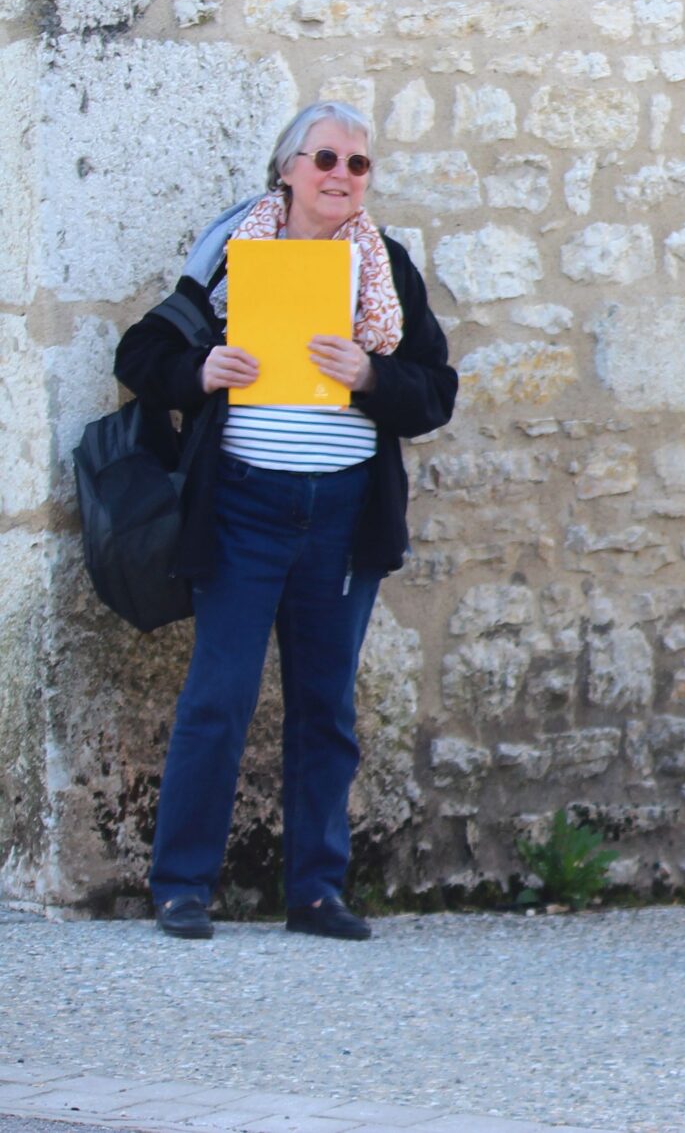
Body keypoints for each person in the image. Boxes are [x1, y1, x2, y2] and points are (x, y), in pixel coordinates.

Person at [117, 100, 456, 942]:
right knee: (219, 695)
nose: (342, 175)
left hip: (342, 512)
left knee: (324, 705)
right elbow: (141, 354)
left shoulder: (386, 268)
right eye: (326, 158)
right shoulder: (232, 258)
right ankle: (182, 885)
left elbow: (434, 392)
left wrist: (370, 375)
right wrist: (202, 370)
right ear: (288, 168)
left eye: (357, 163)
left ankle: (315, 890)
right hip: (243, 506)